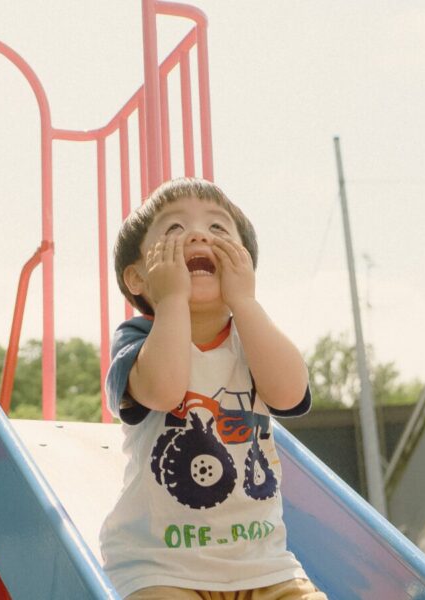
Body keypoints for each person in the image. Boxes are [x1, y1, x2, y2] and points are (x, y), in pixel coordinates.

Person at [99, 178, 326, 599]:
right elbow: (164, 391)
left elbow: (290, 393)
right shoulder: (136, 340)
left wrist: (246, 303)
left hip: (265, 567)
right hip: (159, 569)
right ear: (136, 277)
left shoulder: (253, 339)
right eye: (173, 230)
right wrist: (170, 302)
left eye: (219, 229)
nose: (199, 234)